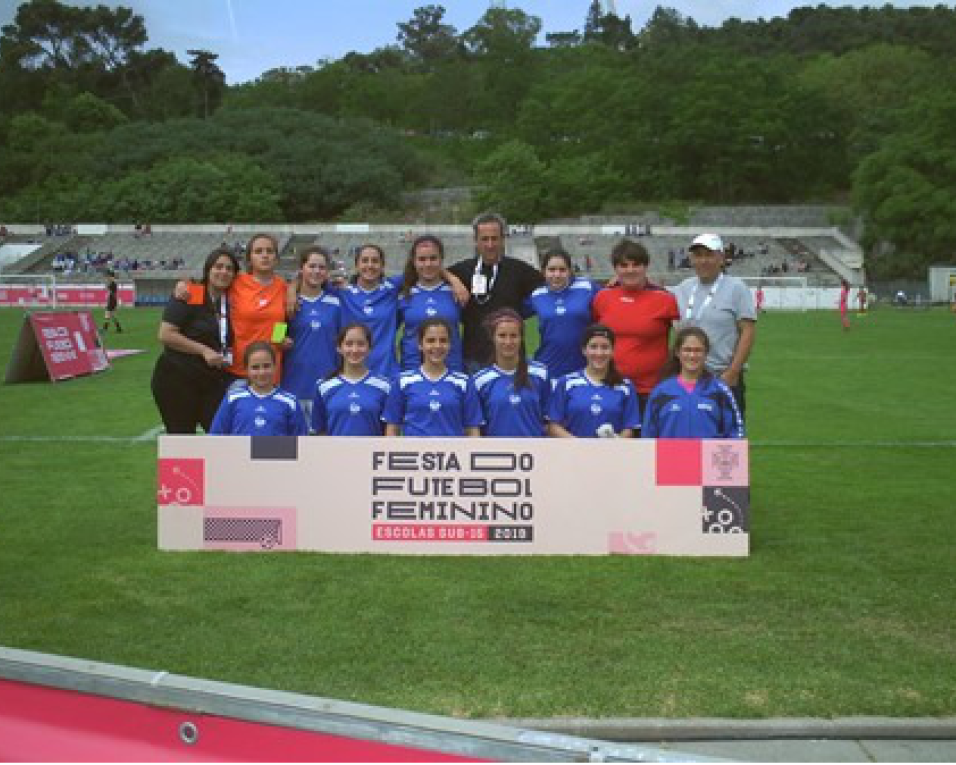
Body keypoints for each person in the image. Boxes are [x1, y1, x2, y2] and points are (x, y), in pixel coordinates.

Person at [151, 248, 238, 434]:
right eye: (218, 266)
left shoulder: (232, 299)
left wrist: (280, 336)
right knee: (182, 437)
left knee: (221, 433)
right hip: (177, 377)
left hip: (212, 379)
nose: (223, 272)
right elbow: (165, 334)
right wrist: (203, 350)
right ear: (208, 269)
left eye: (229, 269)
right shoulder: (192, 292)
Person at [671, 233, 756, 416]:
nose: (703, 261)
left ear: (721, 258)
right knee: (688, 435)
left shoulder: (736, 288)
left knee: (726, 440)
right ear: (691, 259)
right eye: (698, 255)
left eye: (709, 255)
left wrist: (733, 372)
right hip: (688, 378)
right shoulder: (682, 289)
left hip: (722, 377)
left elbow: (747, 331)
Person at [449, 213, 544, 372]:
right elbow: (435, 273)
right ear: (475, 241)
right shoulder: (463, 270)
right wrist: (453, 280)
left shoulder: (520, 270)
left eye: (495, 238)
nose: (490, 244)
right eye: (484, 239)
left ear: (503, 239)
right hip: (474, 359)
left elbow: (551, 284)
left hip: (511, 360)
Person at [592, 239, 679, 413]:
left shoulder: (665, 299)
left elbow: (683, 338)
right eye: (624, 265)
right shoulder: (602, 298)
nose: (630, 270)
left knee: (648, 439)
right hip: (609, 387)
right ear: (616, 269)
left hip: (651, 391)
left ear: (646, 267)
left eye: (636, 265)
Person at [384, 319, 482, 437]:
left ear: (450, 344)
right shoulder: (402, 381)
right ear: (420, 344)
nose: (437, 346)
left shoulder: (464, 382)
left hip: (453, 454)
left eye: (443, 341)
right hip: (415, 453)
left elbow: (472, 430)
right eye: (431, 341)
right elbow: (392, 428)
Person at [642, 326, 745, 439]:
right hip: (671, 456)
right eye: (687, 350)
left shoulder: (719, 390)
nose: (692, 356)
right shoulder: (661, 392)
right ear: (677, 352)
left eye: (698, 350)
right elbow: (648, 435)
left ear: (706, 353)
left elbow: (736, 433)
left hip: (707, 456)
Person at [281, 247, 342, 422]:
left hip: (327, 383)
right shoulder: (288, 302)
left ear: (327, 272)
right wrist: (279, 340)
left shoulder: (335, 302)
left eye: (321, 267)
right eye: (312, 266)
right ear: (302, 268)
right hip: (293, 384)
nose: (316, 271)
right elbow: (276, 331)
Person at [548, 324, 641, 439]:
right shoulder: (566, 383)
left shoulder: (625, 386)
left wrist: (617, 443)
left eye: (605, 347)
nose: (599, 353)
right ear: (584, 350)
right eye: (593, 347)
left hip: (611, 455)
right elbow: (553, 426)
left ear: (612, 351)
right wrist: (581, 446)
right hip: (573, 454)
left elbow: (630, 428)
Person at [472, 309, 550, 437]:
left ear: (521, 338)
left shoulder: (540, 374)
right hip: (496, 454)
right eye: (502, 336)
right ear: (493, 338)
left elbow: (549, 422)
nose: (508, 342)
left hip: (535, 454)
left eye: (513, 336)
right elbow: (476, 428)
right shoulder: (480, 381)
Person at [224, 233, 290, 382]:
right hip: (240, 371)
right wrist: (184, 285)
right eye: (258, 251)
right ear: (249, 258)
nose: (265, 255)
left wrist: (279, 339)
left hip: (271, 371)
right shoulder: (236, 282)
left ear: (277, 258)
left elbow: (281, 321)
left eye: (269, 251)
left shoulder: (283, 287)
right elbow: (206, 287)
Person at [525, 249, 600, 378]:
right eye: (552, 270)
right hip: (549, 367)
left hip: (584, 367)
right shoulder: (537, 295)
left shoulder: (586, 287)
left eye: (562, 269)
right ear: (543, 272)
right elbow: (513, 313)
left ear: (570, 271)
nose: (557, 274)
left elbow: (611, 298)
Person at [210, 342, 308, 436]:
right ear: (246, 369)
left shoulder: (290, 402)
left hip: (277, 454)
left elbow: (301, 442)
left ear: (275, 366)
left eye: (266, 366)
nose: (261, 372)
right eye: (255, 367)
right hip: (241, 453)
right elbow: (216, 436)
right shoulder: (233, 398)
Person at [397, 235, 464, 372]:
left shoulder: (457, 293)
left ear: (441, 260)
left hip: (452, 371)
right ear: (414, 262)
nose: (428, 264)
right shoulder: (404, 295)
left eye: (433, 258)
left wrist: (453, 280)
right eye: (422, 259)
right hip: (412, 371)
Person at [312, 324, 390, 436]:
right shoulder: (323, 386)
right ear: (339, 348)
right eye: (348, 344)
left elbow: (389, 431)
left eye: (361, 344)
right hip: (335, 452)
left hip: (371, 453)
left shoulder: (384, 386)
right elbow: (320, 431)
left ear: (370, 348)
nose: (354, 350)